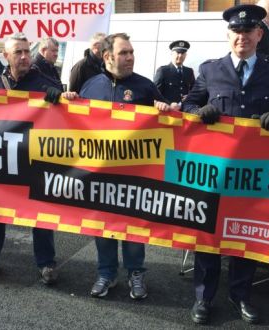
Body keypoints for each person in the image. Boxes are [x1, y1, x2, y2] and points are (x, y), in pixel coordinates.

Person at [182, 4, 269, 325]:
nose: (241, 36)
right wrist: (199, 112)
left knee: (246, 239)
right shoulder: (210, 69)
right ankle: (203, 297)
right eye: (236, 31)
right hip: (214, 173)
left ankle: (240, 295)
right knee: (208, 237)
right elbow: (190, 103)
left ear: (259, 34)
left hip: (252, 176)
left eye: (248, 31)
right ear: (228, 34)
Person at [65, 33, 175, 300]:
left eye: (132, 52)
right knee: (103, 226)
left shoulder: (146, 87)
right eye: (124, 53)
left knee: (134, 227)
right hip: (100, 175)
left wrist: (163, 108)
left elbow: (169, 124)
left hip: (135, 176)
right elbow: (76, 125)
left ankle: (136, 274)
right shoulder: (91, 86)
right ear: (108, 56)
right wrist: (68, 101)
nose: (130, 57)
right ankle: (106, 273)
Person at [0, 33, 62, 285]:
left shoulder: (45, 83)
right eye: (18, 52)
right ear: (6, 56)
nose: (24, 56)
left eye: (27, 51)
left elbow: (66, 120)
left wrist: (59, 99)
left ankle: (46, 263)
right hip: (2, 161)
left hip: (34, 161)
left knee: (40, 215)